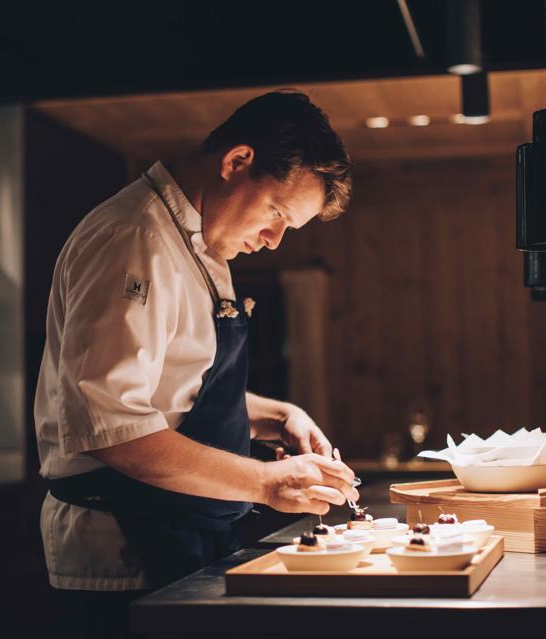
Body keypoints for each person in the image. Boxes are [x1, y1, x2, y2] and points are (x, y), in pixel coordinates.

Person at [34, 90, 356, 637]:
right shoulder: (132, 236)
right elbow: (113, 430)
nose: (275, 241)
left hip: (183, 535)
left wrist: (276, 414)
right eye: (277, 213)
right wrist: (266, 482)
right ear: (236, 162)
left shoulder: (201, 243)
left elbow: (170, 390)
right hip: (125, 554)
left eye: (289, 228)